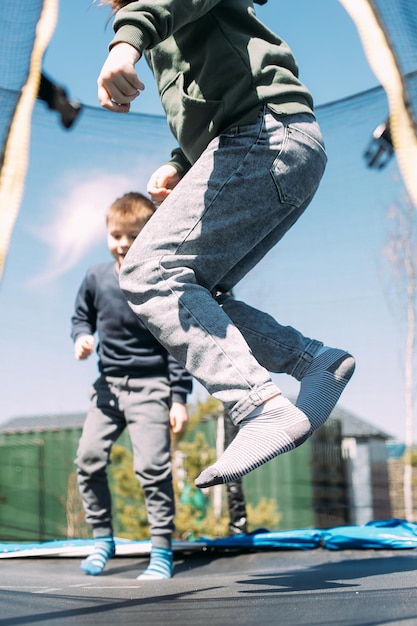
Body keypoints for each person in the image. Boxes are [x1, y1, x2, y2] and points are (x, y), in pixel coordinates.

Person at [96, 0, 355, 491]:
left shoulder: (153, 20)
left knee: (147, 272)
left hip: (265, 135)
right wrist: (180, 161)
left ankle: (258, 406)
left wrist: (125, 42)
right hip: (273, 146)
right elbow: (207, 103)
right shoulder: (161, 39)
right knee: (197, 294)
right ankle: (314, 361)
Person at [71, 191, 192, 579]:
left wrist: (178, 398)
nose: (123, 244)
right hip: (108, 386)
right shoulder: (96, 277)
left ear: (148, 234)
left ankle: (161, 549)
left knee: (152, 468)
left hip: (151, 387)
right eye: (116, 235)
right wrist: (82, 338)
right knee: (88, 459)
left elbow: (178, 341)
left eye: (133, 236)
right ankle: (102, 538)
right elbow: (80, 317)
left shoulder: (159, 280)